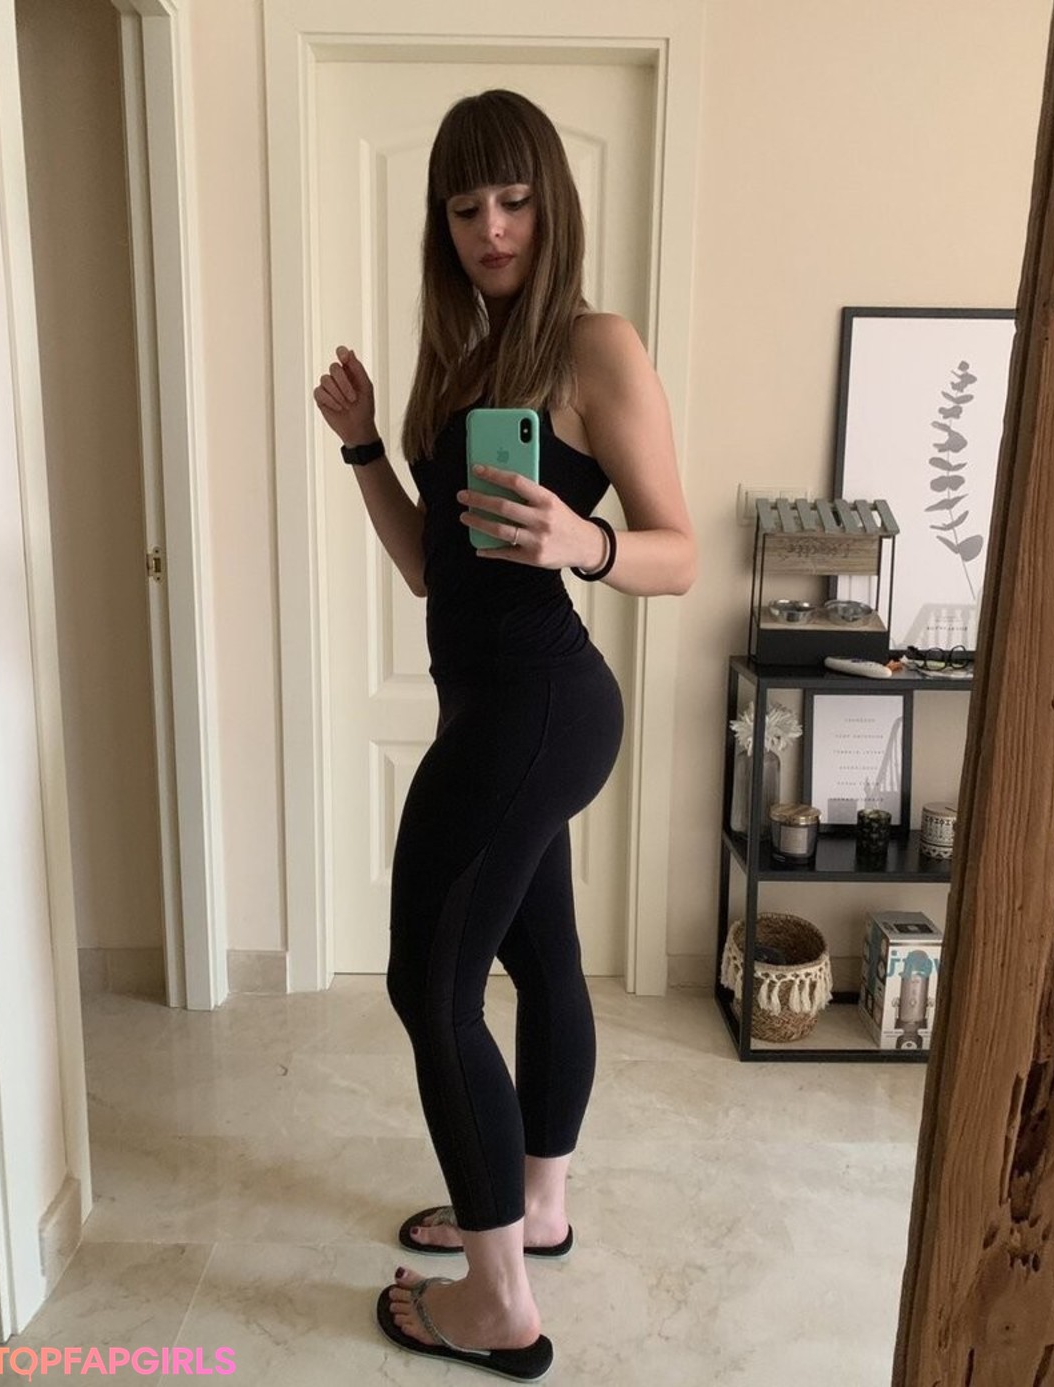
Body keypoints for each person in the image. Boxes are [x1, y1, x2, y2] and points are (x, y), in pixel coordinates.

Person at [313, 88, 695, 1382]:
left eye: (515, 200)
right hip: (497, 705)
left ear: (551, 205)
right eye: (466, 205)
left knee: (429, 987)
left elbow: (680, 552)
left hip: (539, 706)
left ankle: (498, 1304)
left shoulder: (595, 346)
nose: (491, 227)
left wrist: (585, 541)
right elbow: (434, 572)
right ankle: (536, 1208)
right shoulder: (467, 358)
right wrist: (367, 447)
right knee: (539, 961)